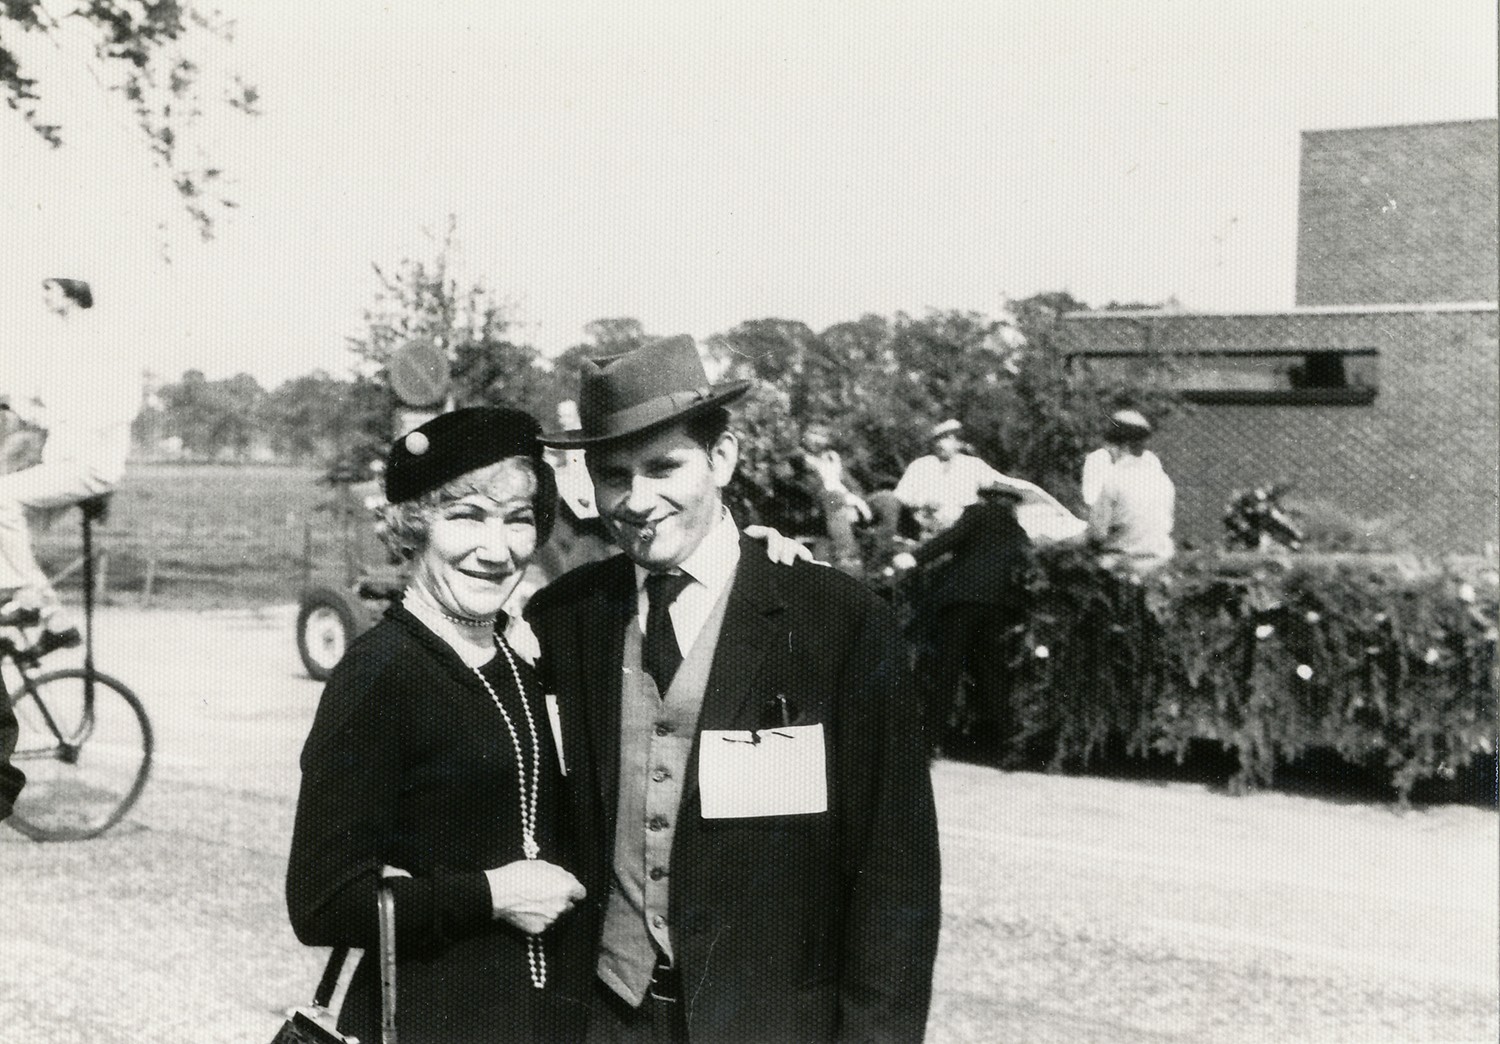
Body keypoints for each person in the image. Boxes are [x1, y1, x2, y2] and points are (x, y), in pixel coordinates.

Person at [527, 336, 941, 1044]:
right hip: (605, 1017)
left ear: (721, 458)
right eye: (614, 476)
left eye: (665, 467)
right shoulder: (566, 616)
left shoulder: (835, 621)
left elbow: (892, 870)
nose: (638, 501)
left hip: (770, 1023)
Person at [286, 407, 592, 1043]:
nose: (497, 550)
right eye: (467, 516)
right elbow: (321, 903)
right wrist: (493, 895)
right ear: (415, 527)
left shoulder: (519, 653)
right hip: (432, 1018)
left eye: (517, 519)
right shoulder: (379, 674)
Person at [0, 278, 137, 655]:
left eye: (50, 288)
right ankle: (54, 622)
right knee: (7, 537)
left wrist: (72, 422)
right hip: (64, 462)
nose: (44, 296)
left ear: (71, 292)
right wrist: (21, 405)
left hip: (90, 462)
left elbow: (123, 404)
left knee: (1, 498)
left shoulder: (101, 338)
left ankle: (33, 601)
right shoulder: (61, 343)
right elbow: (44, 407)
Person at [894, 485, 1036, 744]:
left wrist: (914, 558)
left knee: (946, 669)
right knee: (992, 671)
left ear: (987, 498)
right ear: (1013, 505)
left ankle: (929, 740)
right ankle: (1011, 739)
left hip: (962, 601)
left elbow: (951, 538)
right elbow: (1027, 566)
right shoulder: (1018, 531)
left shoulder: (977, 514)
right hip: (997, 607)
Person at [1087, 410, 1176, 574]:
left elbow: (1097, 535)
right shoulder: (1163, 479)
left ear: (1121, 445)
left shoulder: (1113, 479)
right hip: (1159, 563)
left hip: (1122, 564)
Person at [776, 419, 870, 569]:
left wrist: (857, 501)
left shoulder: (832, 459)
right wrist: (845, 500)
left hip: (844, 506)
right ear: (804, 434)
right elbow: (787, 483)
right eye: (813, 433)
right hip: (813, 510)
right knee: (833, 497)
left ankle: (881, 555)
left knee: (885, 499)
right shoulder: (796, 459)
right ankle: (847, 557)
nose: (818, 439)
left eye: (823, 436)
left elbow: (853, 485)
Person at [893, 418, 1004, 536]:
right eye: (938, 439)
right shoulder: (920, 465)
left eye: (947, 438)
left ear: (958, 442)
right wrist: (922, 503)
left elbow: (1000, 483)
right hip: (926, 530)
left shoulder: (973, 465)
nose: (941, 444)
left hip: (963, 531)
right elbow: (900, 496)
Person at [1080, 408, 1162, 510]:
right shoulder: (1097, 459)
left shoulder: (1150, 461)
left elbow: (1157, 500)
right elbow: (1091, 500)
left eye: (1140, 439)